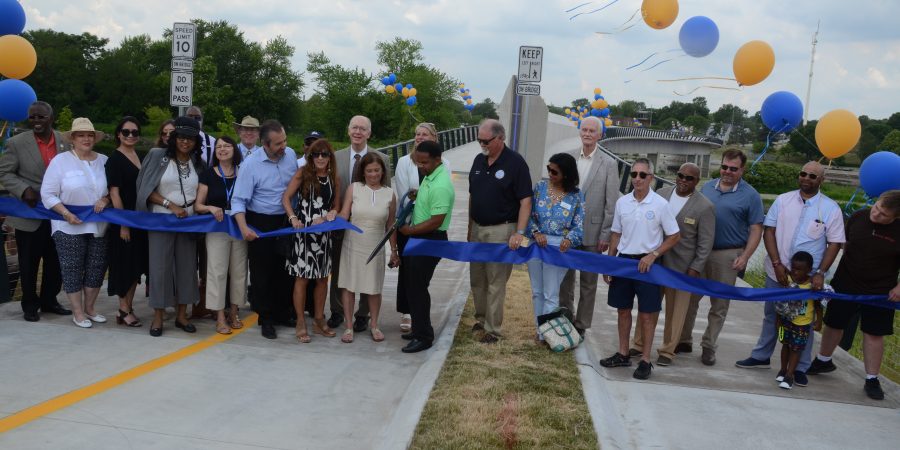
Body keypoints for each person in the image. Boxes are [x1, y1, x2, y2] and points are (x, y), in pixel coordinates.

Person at [735, 161, 844, 387]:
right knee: (771, 316)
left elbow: (834, 243)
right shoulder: (783, 200)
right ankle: (761, 356)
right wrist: (777, 264)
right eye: (803, 173)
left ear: (821, 180)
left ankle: (800, 368)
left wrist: (820, 273)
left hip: (807, 280)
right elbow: (770, 231)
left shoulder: (831, 208)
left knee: (804, 323)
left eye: (812, 176)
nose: (806, 178)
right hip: (779, 272)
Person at [807, 190, 900, 400]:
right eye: (876, 207)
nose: (875, 214)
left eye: (883, 214)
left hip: (880, 289)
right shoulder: (858, 217)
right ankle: (823, 360)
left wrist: (898, 288)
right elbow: (842, 243)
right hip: (846, 281)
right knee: (834, 323)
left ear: (895, 217)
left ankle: (871, 378)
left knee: (874, 332)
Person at [599, 158, 680, 380]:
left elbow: (674, 235)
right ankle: (623, 353)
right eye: (634, 174)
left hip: (648, 266)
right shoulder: (622, 203)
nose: (637, 179)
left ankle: (645, 360)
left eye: (642, 175)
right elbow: (616, 233)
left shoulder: (661, 205)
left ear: (651, 178)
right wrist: (611, 262)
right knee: (622, 310)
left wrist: (653, 255)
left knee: (647, 314)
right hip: (624, 263)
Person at [682, 149, 764, 365]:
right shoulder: (708, 187)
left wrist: (746, 256)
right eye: (725, 167)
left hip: (727, 254)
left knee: (719, 305)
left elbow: (756, 229)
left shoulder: (751, 195)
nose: (727, 172)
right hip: (701, 251)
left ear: (742, 169)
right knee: (690, 299)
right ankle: (684, 339)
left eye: (733, 169)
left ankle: (709, 346)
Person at [630, 163, 715, 366]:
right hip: (655, 263)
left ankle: (667, 351)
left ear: (697, 181)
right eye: (681, 176)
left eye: (689, 178)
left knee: (676, 313)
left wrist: (696, 267)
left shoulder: (705, 207)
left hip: (682, 269)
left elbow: (705, 243)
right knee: (647, 306)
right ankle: (639, 343)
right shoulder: (661, 193)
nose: (683, 181)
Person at [0, 101, 70, 322]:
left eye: (41, 117)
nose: (36, 122)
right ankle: (29, 304)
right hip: (29, 215)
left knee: (56, 261)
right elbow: (5, 173)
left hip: (58, 215)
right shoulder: (15, 143)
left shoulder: (65, 141)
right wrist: (23, 190)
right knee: (29, 263)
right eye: (32, 117)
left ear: (51, 118)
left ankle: (50, 300)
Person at [135, 116, 205, 337]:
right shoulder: (158, 156)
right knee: (160, 268)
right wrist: (170, 205)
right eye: (181, 137)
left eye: (190, 139)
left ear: (196, 142)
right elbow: (144, 188)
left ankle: (182, 315)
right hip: (162, 219)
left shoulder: (197, 163)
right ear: (174, 138)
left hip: (188, 222)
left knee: (186, 268)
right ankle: (158, 316)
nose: (185, 142)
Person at [40, 118, 109, 328]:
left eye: (89, 135)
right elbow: (47, 194)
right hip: (68, 225)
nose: (86, 139)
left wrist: (105, 200)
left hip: (99, 225)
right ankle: (78, 313)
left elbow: (113, 190)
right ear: (72, 138)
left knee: (96, 268)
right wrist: (65, 213)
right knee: (72, 269)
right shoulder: (60, 161)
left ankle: (90, 308)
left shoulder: (105, 160)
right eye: (81, 135)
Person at [468, 118, 533, 343]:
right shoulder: (478, 160)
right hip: (477, 228)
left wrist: (520, 232)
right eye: (479, 140)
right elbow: (472, 196)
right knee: (477, 279)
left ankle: (492, 329)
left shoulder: (516, 163)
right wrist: (469, 230)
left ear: (501, 138)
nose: (482, 145)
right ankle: (481, 318)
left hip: (501, 230)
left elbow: (526, 201)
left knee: (495, 281)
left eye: (486, 141)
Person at [233, 119, 298, 339]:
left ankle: (282, 312)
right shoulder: (250, 165)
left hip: (286, 221)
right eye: (278, 144)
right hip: (260, 222)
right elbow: (238, 200)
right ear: (265, 144)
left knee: (284, 270)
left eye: (285, 141)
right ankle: (266, 318)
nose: (284, 147)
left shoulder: (290, 155)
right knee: (262, 273)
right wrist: (243, 228)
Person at [328, 116, 392, 332]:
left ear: (369, 133)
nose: (358, 131)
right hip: (342, 225)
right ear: (348, 130)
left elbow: (387, 194)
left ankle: (363, 315)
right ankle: (337, 312)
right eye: (354, 127)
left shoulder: (382, 158)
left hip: (371, 228)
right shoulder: (336, 157)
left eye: (362, 128)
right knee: (339, 271)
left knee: (370, 274)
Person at [559, 116, 620, 336]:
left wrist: (606, 233)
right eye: (584, 129)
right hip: (567, 231)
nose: (587, 134)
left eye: (592, 131)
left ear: (600, 135)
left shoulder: (609, 164)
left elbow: (611, 203)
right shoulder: (569, 159)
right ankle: (565, 316)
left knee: (588, 282)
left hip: (593, 233)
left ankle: (582, 324)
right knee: (564, 280)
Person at [398, 140, 454, 353]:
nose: (421, 166)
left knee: (418, 288)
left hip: (430, 239)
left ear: (438, 160)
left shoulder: (441, 184)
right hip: (421, 239)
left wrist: (409, 231)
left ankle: (424, 336)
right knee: (412, 286)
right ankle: (418, 327)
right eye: (418, 163)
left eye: (425, 162)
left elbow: (436, 220)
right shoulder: (431, 177)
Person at [283, 139, 340, 342]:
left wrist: (331, 214)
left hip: (324, 234)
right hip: (304, 232)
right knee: (302, 278)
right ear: (310, 156)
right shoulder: (303, 173)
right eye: (316, 154)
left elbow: (337, 206)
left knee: (323, 278)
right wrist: (293, 218)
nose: (320, 158)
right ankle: (300, 321)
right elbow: (286, 198)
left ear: (330, 156)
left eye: (324, 154)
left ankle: (318, 319)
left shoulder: (334, 177)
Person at [337, 153, 398, 343]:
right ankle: (348, 327)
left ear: (383, 171)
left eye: (377, 170)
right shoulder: (354, 188)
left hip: (376, 245)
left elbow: (391, 225)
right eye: (369, 170)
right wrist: (328, 217)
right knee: (349, 285)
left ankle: (374, 325)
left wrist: (394, 251)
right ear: (363, 172)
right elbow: (344, 215)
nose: (373, 174)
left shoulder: (389, 194)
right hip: (352, 243)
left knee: (374, 287)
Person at [525, 153, 584, 341]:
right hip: (536, 245)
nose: (550, 173)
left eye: (555, 171)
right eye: (549, 169)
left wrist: (570, 239)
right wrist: (535, 232)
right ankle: (538, 330)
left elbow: (578, 226)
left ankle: (546, 335)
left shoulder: (576, 195)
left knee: (551, 293)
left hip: (559, 249)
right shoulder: (540, 188)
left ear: (566, 174)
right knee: (537, 291)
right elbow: (529, 216)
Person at [194, 136, 247, 335]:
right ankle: (220, 317)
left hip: (239, 226)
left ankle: (234, 312)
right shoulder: (208, 174)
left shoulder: (243, 173)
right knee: (217, 272)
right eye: (219, 147)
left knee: (239, 272)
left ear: (235, 149)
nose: (222, 149)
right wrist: (209, 206)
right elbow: (197, 205)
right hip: (217, 228)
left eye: (227, 146)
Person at [393, 122, 439, 333]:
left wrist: (424, 198)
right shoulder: (404, 162)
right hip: (409, 224)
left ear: (434, 138)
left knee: (422, 274)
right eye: (417, 134)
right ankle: (407, 311)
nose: (419, 137)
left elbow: (438, 194)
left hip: (430, 226)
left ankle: (419, 311)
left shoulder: (443, 163)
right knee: (408, 270)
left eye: (424, 134)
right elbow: (406, 194)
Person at [105, 116, 148, 327]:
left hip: (140, 219)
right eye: (126, 132)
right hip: (124, 222)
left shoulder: (140, 156)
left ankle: (127, 308)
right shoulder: (114, 159)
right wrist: (123, 224)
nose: (130, 136)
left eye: (134, 132)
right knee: (124, 266)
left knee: (135, 267)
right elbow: (114, 193)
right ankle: (123, 308)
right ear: (118, 135)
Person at [773, 251, 820, 390]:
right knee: (785, 345)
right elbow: (781, 302)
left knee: (796, 349)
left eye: (799, 269)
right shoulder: (787, 281)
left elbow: (818, 304)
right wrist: (778, 319)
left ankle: (789, 376)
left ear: (809, 270)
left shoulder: (812, 285)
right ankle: (782, 370)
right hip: (786, 321)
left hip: (802, 325)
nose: (795, 272)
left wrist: (819, 320)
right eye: (793, 268)